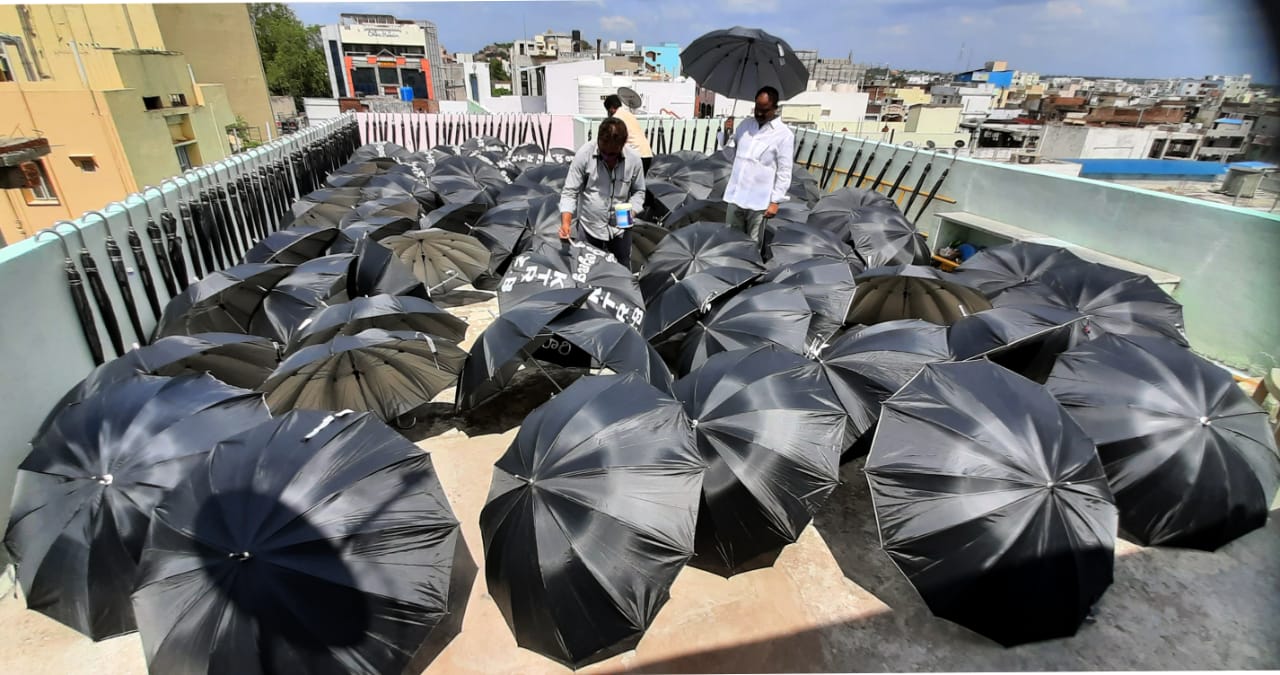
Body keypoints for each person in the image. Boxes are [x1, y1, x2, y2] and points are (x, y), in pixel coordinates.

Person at [559, 117, 646, 269]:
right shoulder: (583, 155)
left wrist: (632, 211)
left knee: (622, 271)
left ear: (623, 144)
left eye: (612, 154)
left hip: (620, 231)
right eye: (603, 153)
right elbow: (570, 192)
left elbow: (639, 191)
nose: (607, 158)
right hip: (589, 228)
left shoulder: (634, 160)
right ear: (598, 140)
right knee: (587, 271)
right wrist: (566, 223)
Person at [721, 86, 795, 251]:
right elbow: (730, 156)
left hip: (759, 202)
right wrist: (727, 133)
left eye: (765, 110)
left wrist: (775, 201)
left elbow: (784, 171)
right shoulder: (746, 125)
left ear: (775, 109)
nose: (760, 114)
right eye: (757, 109)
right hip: (736, 196)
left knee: (751, 246)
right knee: (730, 242)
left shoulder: (784, 135)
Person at [604, 94, 654, 173]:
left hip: (635, 155)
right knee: (640, 184)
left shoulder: (616, 118)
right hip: (647, 153)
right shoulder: (630, 115)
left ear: (611, 108)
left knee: (626, 183)